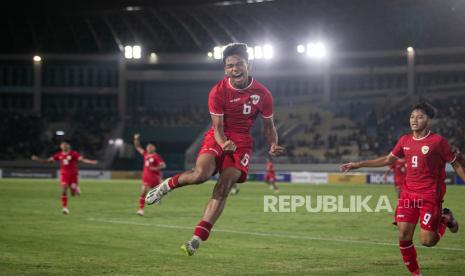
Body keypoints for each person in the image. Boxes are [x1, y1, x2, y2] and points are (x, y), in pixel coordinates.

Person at [145, 43, 284, 256]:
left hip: (242, 144)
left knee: (224, 186)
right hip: (217, 137)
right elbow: (218, 127)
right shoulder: (218, 92)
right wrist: (223, 142)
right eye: (230, 66)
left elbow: (268, 126)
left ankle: (197, 238)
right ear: (225, 69)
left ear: (249, 65)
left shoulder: (263, 94)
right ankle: (167, 185)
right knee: (200, 175)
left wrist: (273, 143)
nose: (235, 69)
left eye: (239, 64)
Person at [340, 103, 465, 276]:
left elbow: (456, 164)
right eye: (412, 116)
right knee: (403, 236)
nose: (414, 120)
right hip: (408, 194)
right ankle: (416, 274)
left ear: (428, 120)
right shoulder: (404, 140)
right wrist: (358, 164)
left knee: (428, 241)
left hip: (430, 196)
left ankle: (445, 218)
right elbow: (387, 160)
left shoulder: (438, 142)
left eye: (419, 117)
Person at [31, 141, 98, 214]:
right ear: (61, 147)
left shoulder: (74, 154)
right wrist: (37, 159)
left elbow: (82, 160)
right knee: (64, 189)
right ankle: (65, 208)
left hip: (73, 175)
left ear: (69, 146)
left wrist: (91, 162)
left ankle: (76, 189)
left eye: (66, 145)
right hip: (64, 175)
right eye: (63, 145)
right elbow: (47, 161)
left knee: (73, 194)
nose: (64, 146)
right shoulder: (58, 155)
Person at [133, 133, 166, 216]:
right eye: (148, 146)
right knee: (143, 192)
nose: (148, 147)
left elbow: (163, 165)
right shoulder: (145, 154)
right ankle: (141, 210)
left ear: (154, 148)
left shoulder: (156, 156)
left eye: (151, 146)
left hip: (155, 178)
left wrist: (155, 168)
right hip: (146, 178)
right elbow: (137, 147)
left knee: (159, 191)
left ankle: (157, 197)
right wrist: (136, 139)